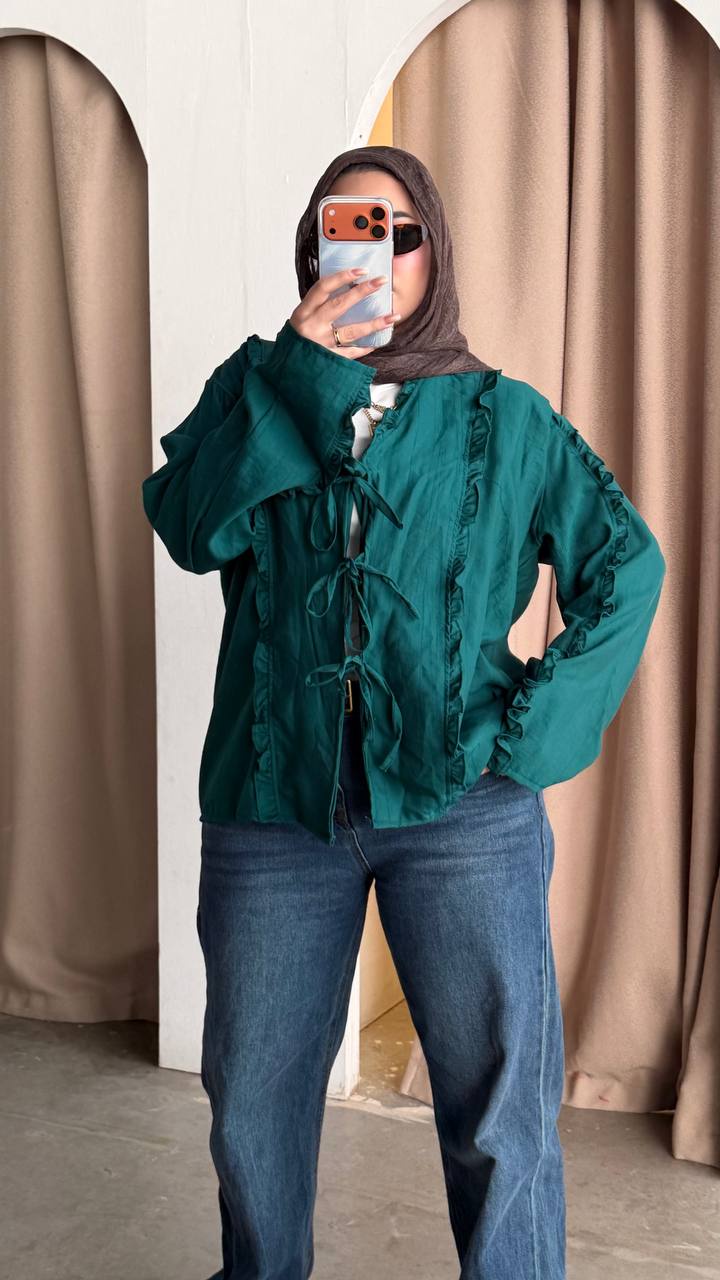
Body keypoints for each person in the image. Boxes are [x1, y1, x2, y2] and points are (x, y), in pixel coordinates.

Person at [141, 145, 666, 1279]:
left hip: (464, 801)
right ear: (311, 250)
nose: (372, 255)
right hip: (271, 805)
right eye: (344, 228)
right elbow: (189, 527)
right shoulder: (255, 384)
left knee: (500, 1110)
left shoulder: (507, 417)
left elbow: (627, 563)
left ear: (434, 251)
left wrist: (534, 733)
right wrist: (301, 377)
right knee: (252, 1104)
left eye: (397, 233)